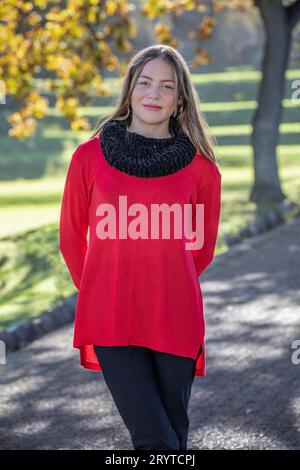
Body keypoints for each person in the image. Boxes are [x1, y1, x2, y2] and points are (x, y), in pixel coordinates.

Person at [59, 44, 222, 450]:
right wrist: (101, 290)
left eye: (166, 86)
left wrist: (162, 281)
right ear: (130, 89)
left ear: (180, 98)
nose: (154, 94)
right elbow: (71, 237)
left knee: (173, 435)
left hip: (175, 316)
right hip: (111, 316)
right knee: (154, 438)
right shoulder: (88, 157)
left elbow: (200, 249)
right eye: (145, 82)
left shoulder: (202, 169)